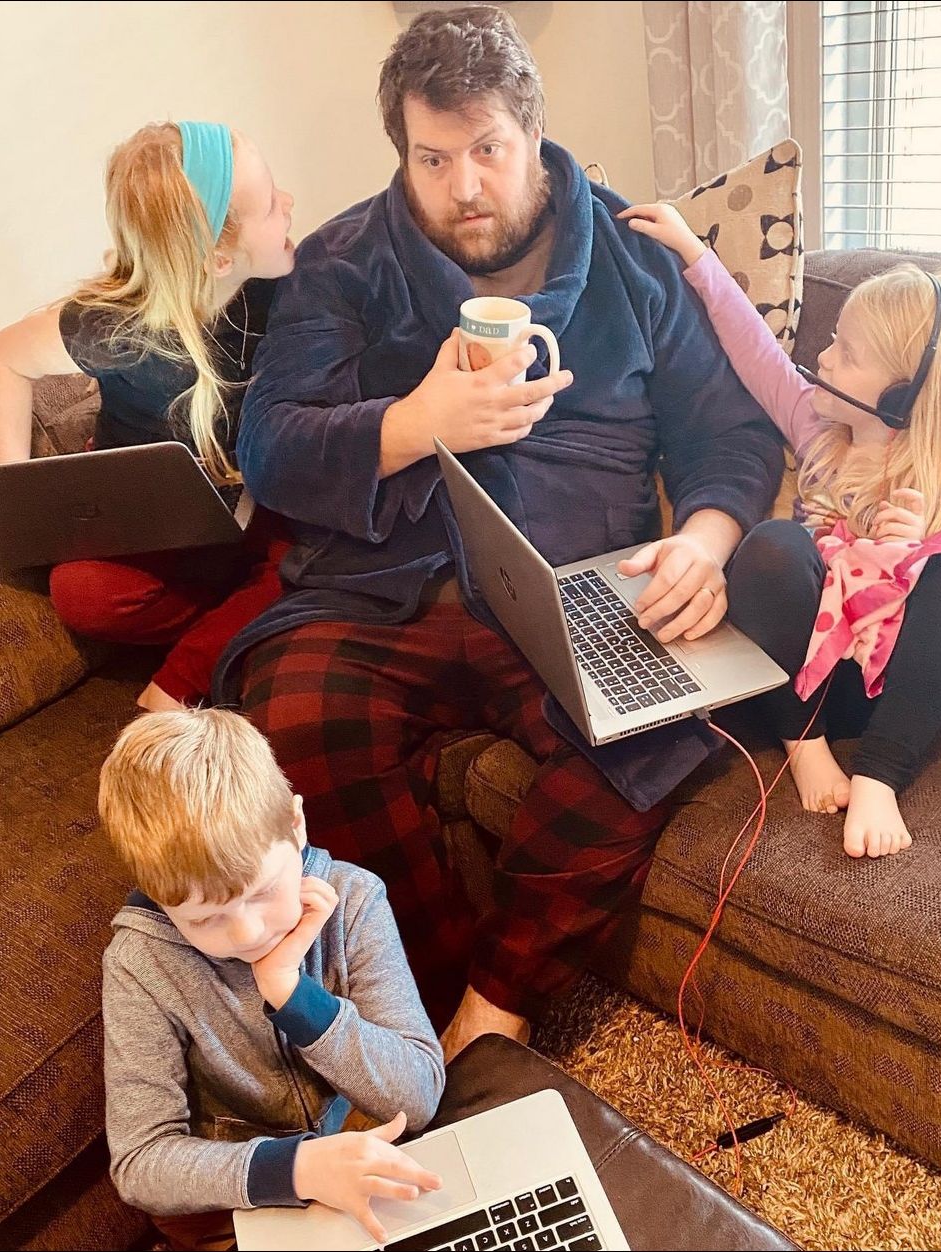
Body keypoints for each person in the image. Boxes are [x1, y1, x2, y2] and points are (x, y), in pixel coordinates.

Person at [213, 5, 785, 1059]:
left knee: (656, 734)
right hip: (382, 588)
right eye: (433, 159)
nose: (464, 186)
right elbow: (270, 446)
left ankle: (491, 1010)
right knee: (291, 720)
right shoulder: (343, 261)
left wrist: (705, 541)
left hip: (577, 587)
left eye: (488, 150)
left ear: (533, 132)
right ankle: (416, 1006)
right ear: (402, 151)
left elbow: (730, 436)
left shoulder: (633, 258)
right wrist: (413, 424)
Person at [622, 202, 941, 859]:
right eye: (831, 340)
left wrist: (932, 543)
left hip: (892, 693)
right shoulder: (816, 428)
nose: (823, 358)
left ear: (899, 396)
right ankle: (804, 748)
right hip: (804, 681)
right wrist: (695, 255)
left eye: (846, 352)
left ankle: (879, 778)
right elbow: (757, 352)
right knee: (774, 545)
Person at [98, 707, 445, 1251]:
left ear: (295, 824)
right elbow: (141, 1162)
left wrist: (293, 993)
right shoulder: (139, 964)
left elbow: (418, 1096)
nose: (247, 933)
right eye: (204, 919)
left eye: (262, 892)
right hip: (226, 1198)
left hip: (344, 1145)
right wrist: (297, 1169)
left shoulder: (354, 900)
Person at [0, 121, 296, 713]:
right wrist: (18, 483)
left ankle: (190, 670)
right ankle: (249, 623)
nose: (291, 204)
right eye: (273, 204)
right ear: (219, 257)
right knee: (81, 593)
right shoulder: (111, 326)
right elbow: (4, 357)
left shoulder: (291, 292)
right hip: (162, 531)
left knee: (322, 555)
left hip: (265, 518)